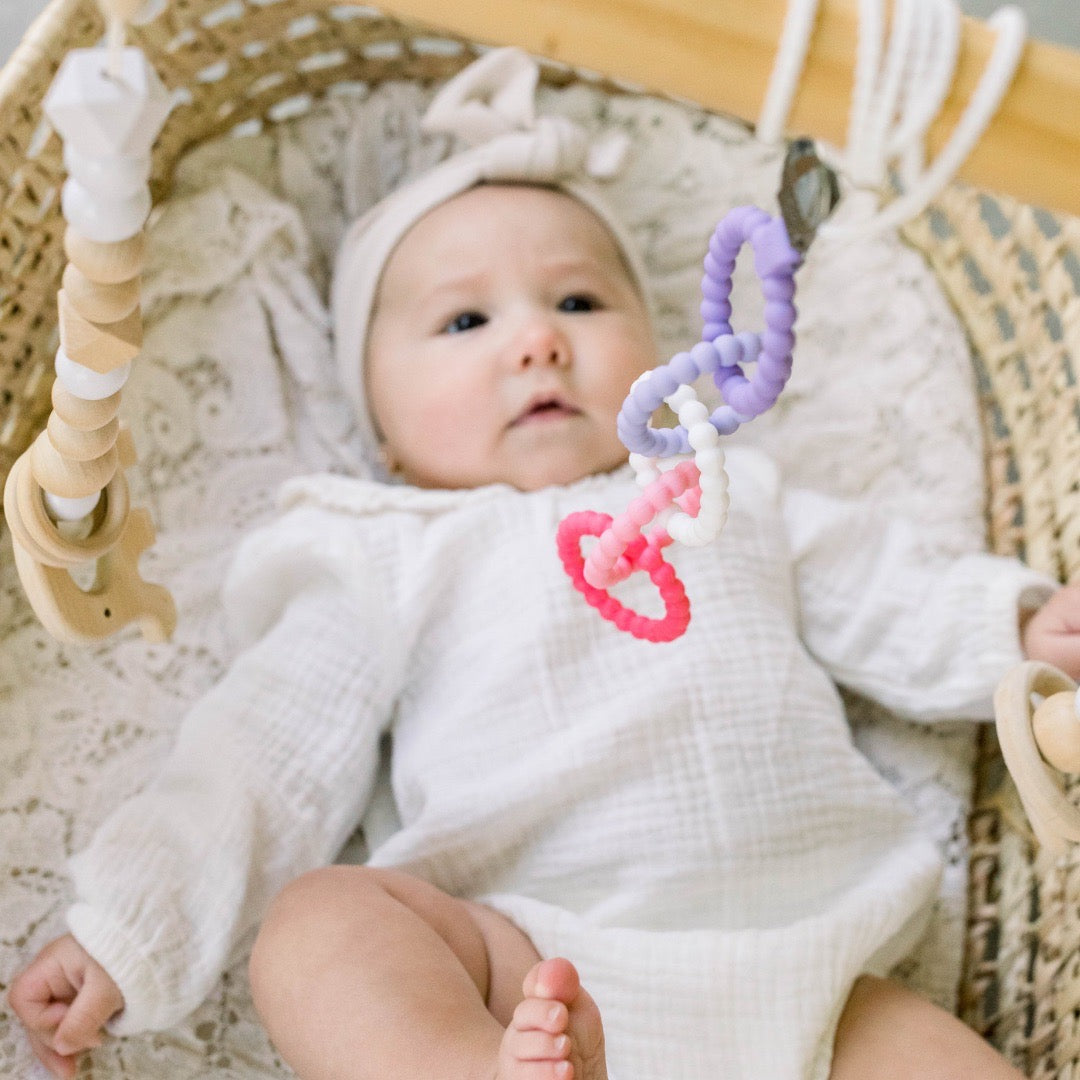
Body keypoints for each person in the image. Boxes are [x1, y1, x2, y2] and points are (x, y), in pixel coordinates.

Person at [9, 48, 1080, 1080]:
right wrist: (130, 930)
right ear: (379, 425)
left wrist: (1016, 627)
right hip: (526, 967)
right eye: (465, 320)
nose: (537, 341)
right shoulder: (384, 551)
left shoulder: (722, 492)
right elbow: (261, 758)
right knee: (319, 927)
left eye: (577, 302)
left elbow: (884, 589)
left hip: (820, 974)